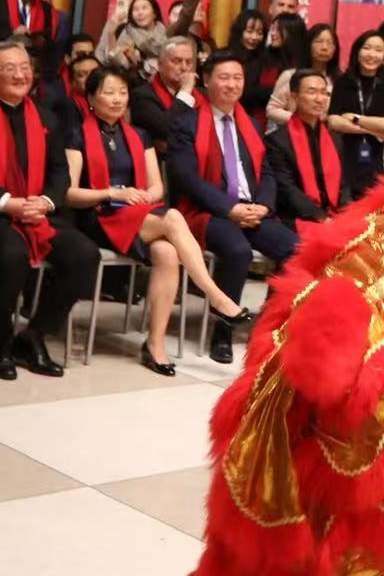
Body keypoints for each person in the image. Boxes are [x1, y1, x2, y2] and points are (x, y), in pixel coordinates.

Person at [64, 67, 253, 375]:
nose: (116, 99)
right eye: (108, 92)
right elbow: (70, 193)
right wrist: (111, 193)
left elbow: (157, 188)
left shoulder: (139, 135)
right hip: (98, 216)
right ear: (91, 98)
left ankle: (155, 345)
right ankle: (216, 296)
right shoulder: (76, 134)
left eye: (122, 92)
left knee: (168, 253)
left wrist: (138, 195)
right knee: (175, 216)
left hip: (136, 214)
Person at [0, 40, 98, 379]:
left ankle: (34, 334)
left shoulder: (44, 117)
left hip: (37, 211)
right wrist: (6, 202)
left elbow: (60, 172)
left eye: (25, 67)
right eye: (10, 68)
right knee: (10, 253)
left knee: (84, 254)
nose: (20, 74)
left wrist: (46, 201)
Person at [167, 53, 296, 363]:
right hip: (207, 211)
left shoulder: (250, 124)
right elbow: (186, 178)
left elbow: (265, 172)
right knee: (237, 251)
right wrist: (229, 208)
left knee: (296, 249)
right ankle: (223, 329)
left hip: (252, 210)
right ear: (207, 81)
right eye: (224, 77)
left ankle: (268, 324)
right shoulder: (186, 123)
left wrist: (263, 206)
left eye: (237, 78)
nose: (232, 84)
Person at [266, 70, 349, 233]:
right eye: (312, 92)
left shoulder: (334, 138)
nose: (320, 99)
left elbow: (343, 185)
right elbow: (287, 189)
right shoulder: (277, 141)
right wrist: (321, 217)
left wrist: (347, 213)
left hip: (333, 214)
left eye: (324, 93)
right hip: (296, 218)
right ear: (294, 97)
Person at [329, 30, 384, 202]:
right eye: (367, 48)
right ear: (357, 51)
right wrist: (371, 129)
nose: (372, 54)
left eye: (378, 50)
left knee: (371, 206)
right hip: (344, 154)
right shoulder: (343, 81)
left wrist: (354, 118)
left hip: (374, 158)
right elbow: (333, 121)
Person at [266, 22, 341, 127]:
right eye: (318, 41)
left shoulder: (339, 80)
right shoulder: (291, 75)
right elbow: (272, 110)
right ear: (308, 44)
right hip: (293, 134)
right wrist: (301, 121)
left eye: (330, 43)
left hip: (325, 137)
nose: (324, 47)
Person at [131, 34, 199, 150]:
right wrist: (185, 92)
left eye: (188, 62)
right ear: (160, 64)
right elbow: (168, 130)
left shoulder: (202, 95)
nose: (184, 67)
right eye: (177, 61)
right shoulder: (142, 96)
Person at [255, 14, 309, 125]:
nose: (273, 34)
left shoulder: (303, 63)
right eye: (273, 28)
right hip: (259, 121)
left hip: (290, 126)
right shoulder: (263, 57)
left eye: (278, 30)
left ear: (292, 33)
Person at [100, 0, 168, 73]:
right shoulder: (128, 33)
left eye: (144, 8)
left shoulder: (167, 33)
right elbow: (120, 62)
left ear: (154, 14)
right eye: (135, 9)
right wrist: (111, 33)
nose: (139, 13)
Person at [226, 9, 273, 111]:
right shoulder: (226, 56)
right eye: (249, 31)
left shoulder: (266, 60)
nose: (254, 37)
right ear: (239, 31)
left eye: (259, 33)